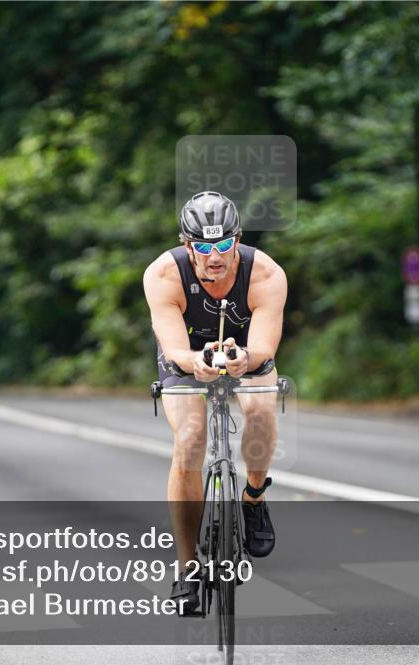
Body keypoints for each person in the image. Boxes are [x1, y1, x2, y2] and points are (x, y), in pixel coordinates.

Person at [143, 191, 287, 615]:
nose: (214, 255)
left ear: (237, 239)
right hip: (187, 354)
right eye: (203, 247)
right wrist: (196, 363)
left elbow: (262, 346)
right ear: (188, 245)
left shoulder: (265, 274)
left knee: (261, 410)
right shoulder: (163, 275)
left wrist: (244, 359)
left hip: (247, 351)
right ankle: (187, 569)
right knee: (189, 439)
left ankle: (255, 498)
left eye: (224, 244)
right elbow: (173, 348)